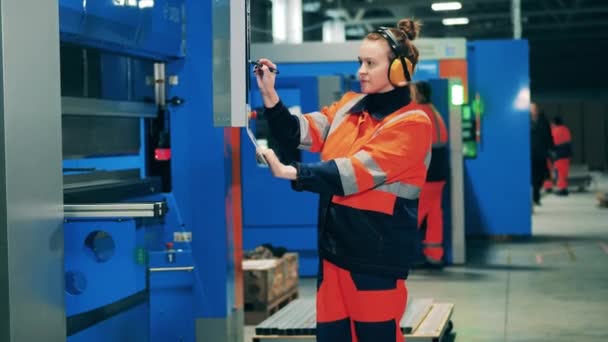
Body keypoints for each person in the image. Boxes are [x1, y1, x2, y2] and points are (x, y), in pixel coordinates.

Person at [255, 18, 431, 342]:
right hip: (334, 253)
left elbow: (353, 173)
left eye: (370, 63)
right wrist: (270, 95)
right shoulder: (348, 106)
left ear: (399, 71)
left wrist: (292, 171)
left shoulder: (412, 124)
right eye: (359, 62)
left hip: (375, 260)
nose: (361, 70)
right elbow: (301, 130)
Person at [413, 81, 449, 266]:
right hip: (439, 174)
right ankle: (434, 254)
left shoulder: (417, 114)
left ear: (419, 95)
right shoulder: (435, 113)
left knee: (413, 216)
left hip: (425, 175)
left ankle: (402, 256)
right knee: (434, 214)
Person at [530, 103, 554, 206]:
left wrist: (550, 149)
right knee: (531, 177)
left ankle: (536, 196)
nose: (533, 111)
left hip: (540, 153)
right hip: (529, 154)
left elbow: (549, 136)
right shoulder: (524, 121)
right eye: (531, 109)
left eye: (534, 109)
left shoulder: (543, 121)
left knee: (539, 177)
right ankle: (532, 198)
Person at [548, 115, 573, 195]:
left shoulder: (554, 131)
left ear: (554, 123)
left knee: (560, 173)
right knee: (564, 172)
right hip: (567, 154)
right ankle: (563, 188)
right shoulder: (566, 129)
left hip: (559, 155)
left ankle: (563, 190)